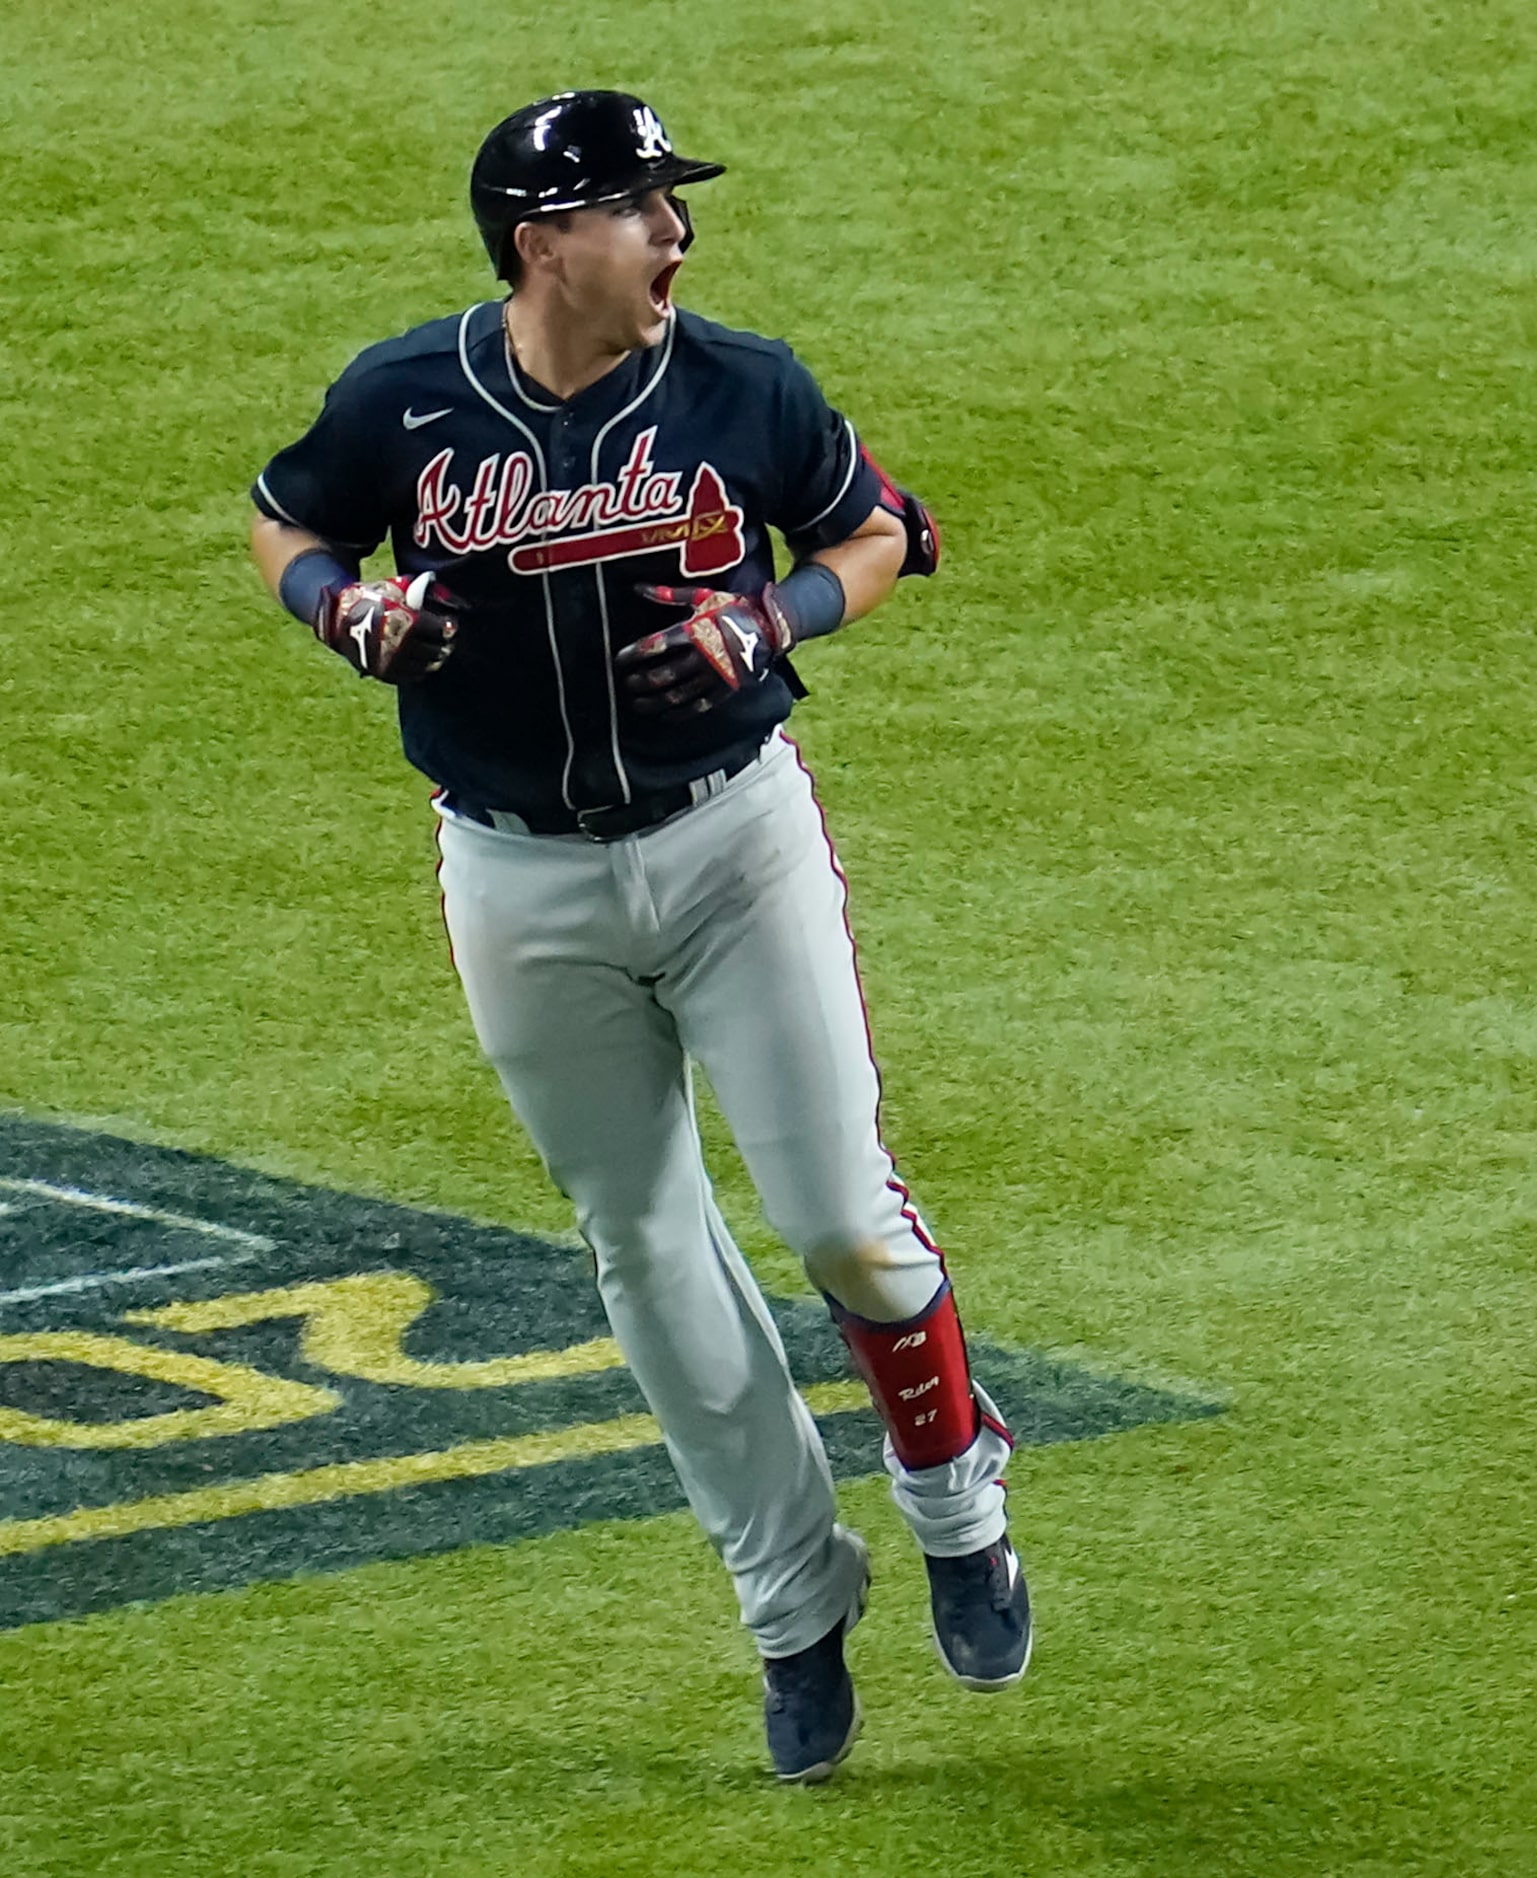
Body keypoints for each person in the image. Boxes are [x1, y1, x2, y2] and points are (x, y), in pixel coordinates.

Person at [245, 90, 1022, 1784]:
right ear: (544, 246)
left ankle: (958, 1495)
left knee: (835, 1214)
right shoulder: (407, 397)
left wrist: (778, 609)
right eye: (640, 208)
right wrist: (343, 605)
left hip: (733, 841)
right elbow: (288, 515)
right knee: (644, 1245)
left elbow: (883, 529)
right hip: (517, 880)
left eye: (671, 204)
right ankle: (790, 1607)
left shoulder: (744, 385)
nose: (676, 233)